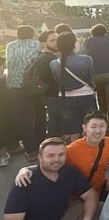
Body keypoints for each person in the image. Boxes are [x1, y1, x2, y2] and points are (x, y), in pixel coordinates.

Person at [50, 30, 98, 138]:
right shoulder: (86, 59)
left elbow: (57, 81)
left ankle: (74, 153)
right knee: (90, 128)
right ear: (74, 44)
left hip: (65, 99)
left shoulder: (53, 64)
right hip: (86, 97)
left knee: (73, 131)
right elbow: (90, 80)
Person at [4, 27, 42, 160]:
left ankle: (14, 144)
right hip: (31, 86)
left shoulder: (10, 46)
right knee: (36, 116)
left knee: (20, 117)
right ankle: (33, 150)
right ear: (32, 35)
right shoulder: (36, 44)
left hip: (13, 86)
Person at [21, 29, 60, 151]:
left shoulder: (42, 56)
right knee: (54, 123)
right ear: (44, 44)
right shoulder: (47, 59)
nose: (56, 43)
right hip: (51, 95)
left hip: (43, 94)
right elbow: (51, 79)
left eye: (57, 40)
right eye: (52, 40)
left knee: (44, 120)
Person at [84, 24, 109, 135]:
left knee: (101, 100)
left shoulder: (88, 41)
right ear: (105, 32)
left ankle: (101, 127)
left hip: (95, 75)